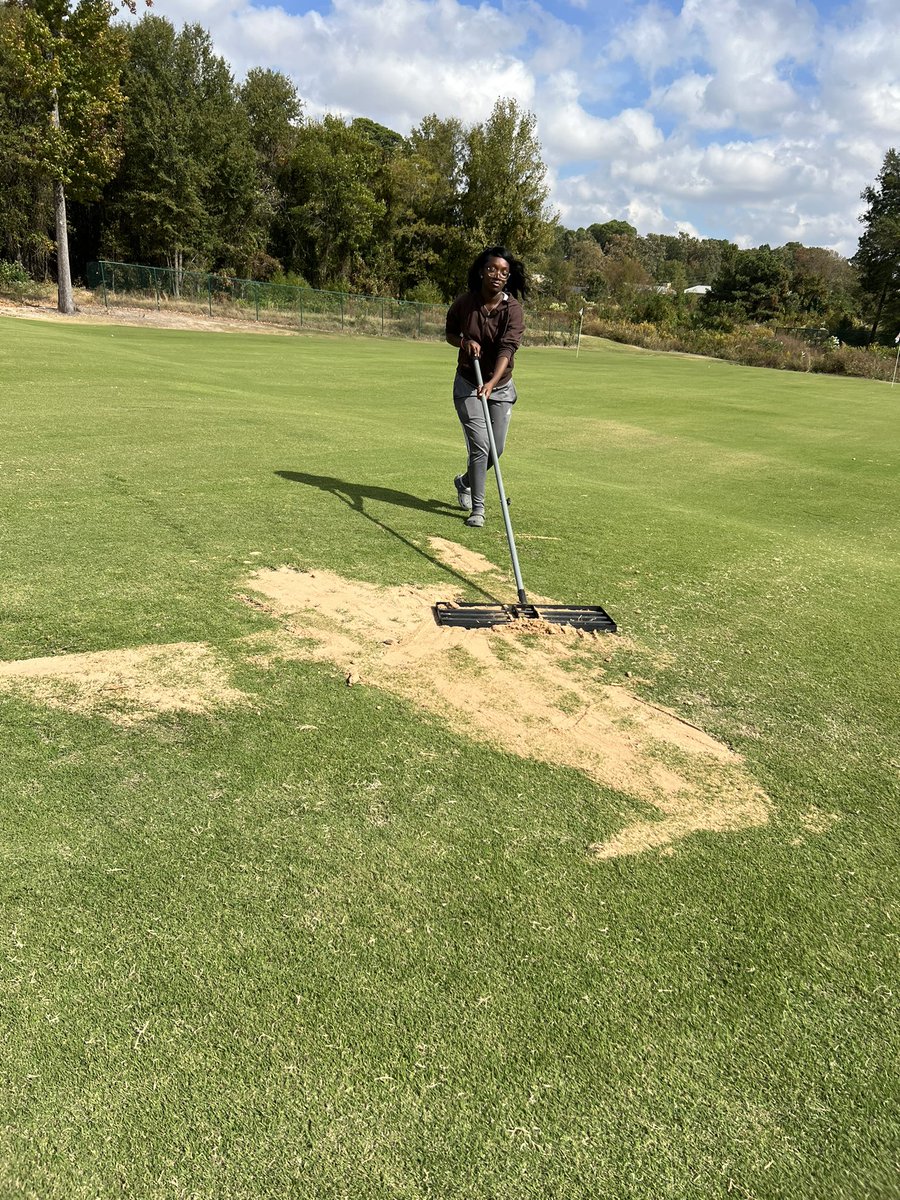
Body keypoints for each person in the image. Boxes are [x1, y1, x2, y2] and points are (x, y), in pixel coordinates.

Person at [445, 246, 527, 528]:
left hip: (500, 385)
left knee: (497, 448)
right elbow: (450, 334)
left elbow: (508, 349)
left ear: (508, 278)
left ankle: (464, 480)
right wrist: (464, 343)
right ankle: (477, 508)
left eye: (504, 272)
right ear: (482, 270)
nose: (497, 275)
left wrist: (492, 383)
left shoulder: (513, 310)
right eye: (492, 269)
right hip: (468, 382)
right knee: (481, 446)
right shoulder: (464, 303)